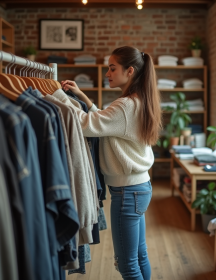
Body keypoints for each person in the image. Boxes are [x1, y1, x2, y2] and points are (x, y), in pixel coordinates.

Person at [60, 46, 162, 280]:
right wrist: (82, 96)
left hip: (127, 193)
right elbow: (104, 121)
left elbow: (86, 125)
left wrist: (56, 99)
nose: (107, 73)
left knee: (127, 265)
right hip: (139, 188)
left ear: (130, 71)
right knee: (139, 255)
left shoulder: (125, 106)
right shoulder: (136, 101)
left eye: (112, 68)